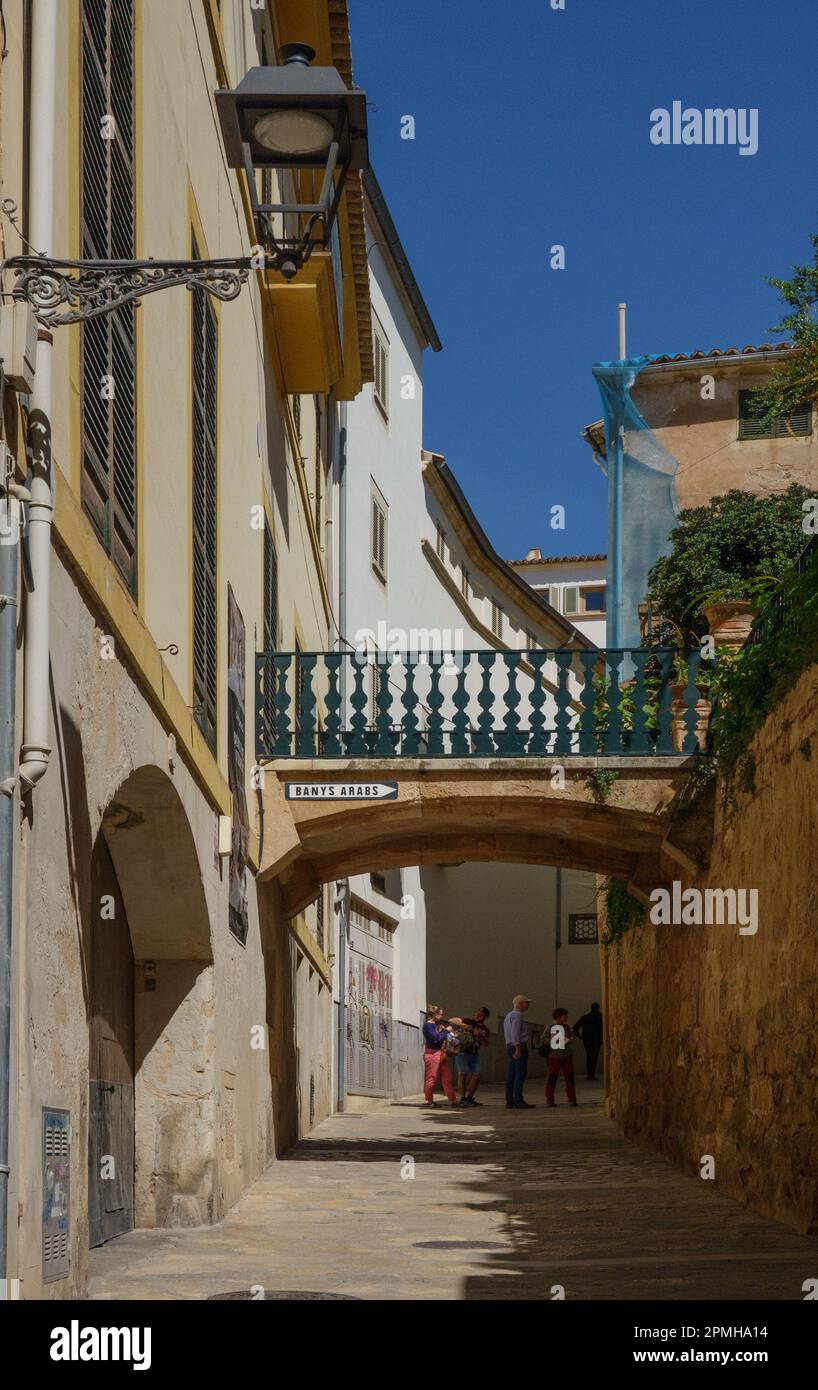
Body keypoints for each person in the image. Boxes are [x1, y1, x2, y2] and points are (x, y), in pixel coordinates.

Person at [422, 1005, 461, 1107]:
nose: (442, 1016)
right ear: (435, 1014)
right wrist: (446, 1031)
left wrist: (443, 1031)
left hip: (441, 1053)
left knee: (446, 1078)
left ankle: (453, 1100)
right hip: (432, 1054)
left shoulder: (436, 1025)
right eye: (441, 1014)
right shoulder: (427, 1026)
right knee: (432, 1078)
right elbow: (436, 1038)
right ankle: (429, 1101)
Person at [453, 1007, 491, 1107]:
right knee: (463, 1074)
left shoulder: (485, 1029)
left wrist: (480, 1035)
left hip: (474, 1054)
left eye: (481, 1015)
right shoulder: (469, 1021)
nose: (478, 1016)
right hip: (462, 1052)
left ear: (485, 1017)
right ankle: (462, 1098)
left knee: (476, 1076)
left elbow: (486, 1043)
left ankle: (469, 1098)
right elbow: (452, 1020)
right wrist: (467, 1027)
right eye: (477, 1013)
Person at [503, 994, 535, 1109]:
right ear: (520, 1003)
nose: (528, 1005)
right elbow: (515, 1032)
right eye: (526, 1003)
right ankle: (518, 1099)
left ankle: (509, 1100)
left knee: (511, 1073)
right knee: (520, 1073)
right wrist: (518, 1046)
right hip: (518, 1045)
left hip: (509, 1046)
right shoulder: (518, 1015)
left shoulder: (509, 1015)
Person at [545, 1007, 577, 1107]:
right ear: (558, 1017)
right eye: (564, 1016)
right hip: (555, 1056)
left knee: (570, 1077)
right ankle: (550, 1099)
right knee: (552, 1077)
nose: (566, 1017)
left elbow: (571, 1037)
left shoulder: (567, 1027)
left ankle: (572, 1098)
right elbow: (544, 1039)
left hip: (566, 1054)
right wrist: (553, 1041)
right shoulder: (550, 1027)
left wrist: (569, 1040)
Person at [573, 1001, 603, 1080]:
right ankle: (591, 1074)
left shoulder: (585, 1017)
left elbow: (575, 1027)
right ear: (598, 1008)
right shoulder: (600, 1017)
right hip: (596, 1039)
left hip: (587, 1040)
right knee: (594, 1057)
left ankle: (590, 1074)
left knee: (589, 1056)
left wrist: (580, 1036)